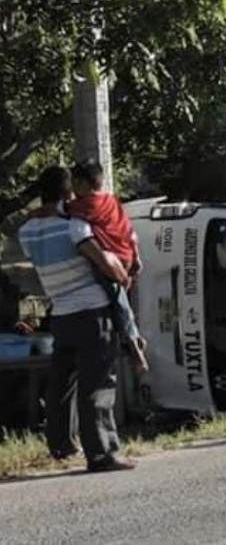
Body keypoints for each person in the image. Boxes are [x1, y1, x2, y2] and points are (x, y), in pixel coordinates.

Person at [18, 166, 136, 472]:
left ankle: (62, 445)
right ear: (70, 193)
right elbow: (103, 260)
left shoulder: (27, 231)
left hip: (61, 313)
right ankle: (102, 453)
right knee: (97, 383)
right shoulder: (75, 226)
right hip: (93, 313)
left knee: (63, 383)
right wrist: (123, 277)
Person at [64, 160, 149, 375]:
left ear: (83, 183)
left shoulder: (84, 206)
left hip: (111, 264)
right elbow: (129, 230)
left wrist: (40, 212)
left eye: (75, 182)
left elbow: (61, 209)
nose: (72, 187)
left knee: (119, 304)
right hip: (127, 256)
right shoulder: (111, 200)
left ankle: (135, 349)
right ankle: (131, 340)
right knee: (119, 303)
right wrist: (136, 257)